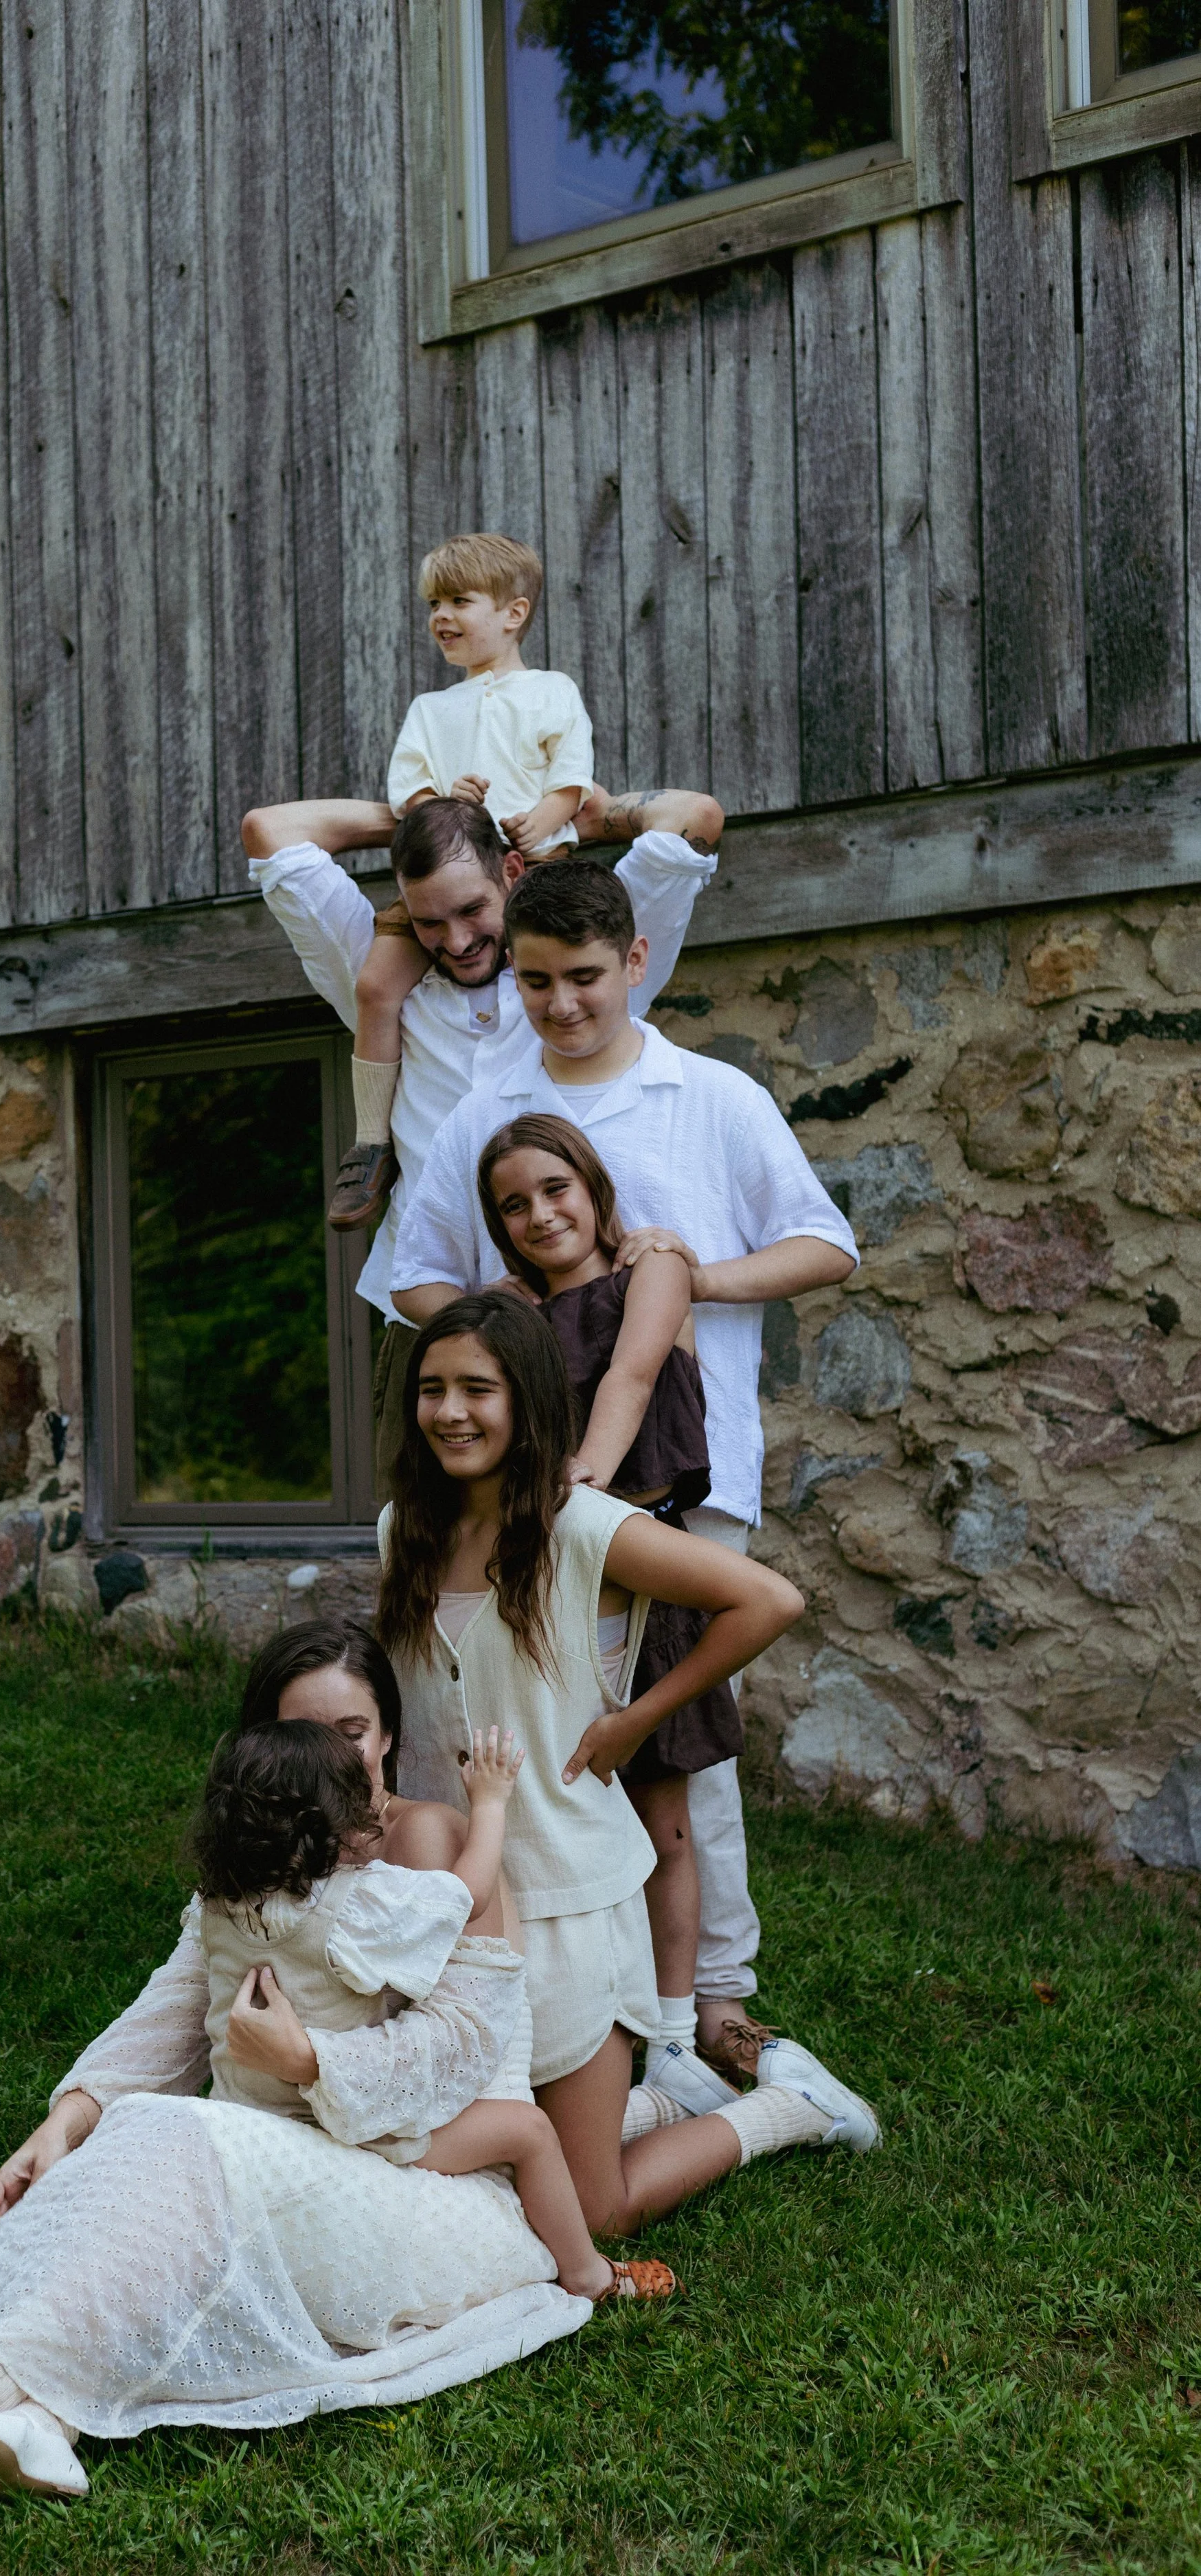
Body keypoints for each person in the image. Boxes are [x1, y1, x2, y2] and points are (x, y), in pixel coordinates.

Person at [0, 1634, 619, 2502]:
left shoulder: (427, 1838)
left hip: (436, 2186)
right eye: (303, 1735)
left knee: (186, 2135)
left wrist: (309, 2059)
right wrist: (71, 2114)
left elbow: (469, 2042)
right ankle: (40, 2426)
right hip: (296, 2158)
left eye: (351, 1731)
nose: (332, 1758)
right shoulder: (268, 1867)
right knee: (152, 2154)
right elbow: (176, 2009)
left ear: (389, 1736)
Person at [390, 857, 861, 2079]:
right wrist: (502, 1313)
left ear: (637, 963)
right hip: (532, 1495)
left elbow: (824, 1245)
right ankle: (567, 1979)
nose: (561, 1006)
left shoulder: (708, 1097)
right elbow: (414, 1276)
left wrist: (685, 1277)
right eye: (537, 981)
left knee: (684, 1756)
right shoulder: (487, 1108)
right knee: (551, 1730)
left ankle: (715, 1997)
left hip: (687, 1479)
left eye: (586, 978)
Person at [377, 1291, 879, 2239]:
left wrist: (633, 1719)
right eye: (432, 1388)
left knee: (588, 2210)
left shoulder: (583, 1529)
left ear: (525, 1401)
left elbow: (766, 1600)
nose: (450, 1410)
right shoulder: (402, 1528)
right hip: (449, 1903)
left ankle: (788, 2110)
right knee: (459, 2173)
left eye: (477, 1388)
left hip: (570, 1906)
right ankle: (660, 2100)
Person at [241, 783, 724, 1488]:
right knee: (429, 1567)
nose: (457, 941)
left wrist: (568, 819)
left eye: (472, 910)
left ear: (512, 872)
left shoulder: (573, 972)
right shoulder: (380, 979)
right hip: (430, 1331)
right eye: (428, 920)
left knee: (582, 1554)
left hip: (580, 1328)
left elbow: (695, 818)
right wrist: (415, 823)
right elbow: (269, 828)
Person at [192, 1716, 671, 2303]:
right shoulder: (354, 1908)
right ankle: (591, 2276)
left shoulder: (215, 1908)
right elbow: (470, 1896)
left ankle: (657, 2109)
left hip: (248, 2121)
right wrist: (490, 1801)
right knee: (528, 2132)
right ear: (328, 1828)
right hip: (346, 2127)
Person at [477, 1109, 737, 2044]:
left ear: (592, 1188)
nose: (540, 1214)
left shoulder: (652, 1272)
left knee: (664, 1821)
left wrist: (580, 1478)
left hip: (645, 1566)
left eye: (556, 1189)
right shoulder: (514, 1315)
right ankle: (574, 2015)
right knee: (562, 1807)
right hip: (555, 1587)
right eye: (514, 1204)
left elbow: (629, 1379)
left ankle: (674, 2032)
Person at [338, 532, 595, 1233]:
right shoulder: (431, 710)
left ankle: (580, 1123)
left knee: (556, 982)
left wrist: (539, 822)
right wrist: (450, 805)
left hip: (535, 871)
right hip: (452, 880)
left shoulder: (550, 692)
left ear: (513, 614)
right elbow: (409, 794)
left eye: (459, 601)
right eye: (432, 603)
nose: (440, 616)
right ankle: (371, 1140)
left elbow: (571, 777)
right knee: (375, 985)